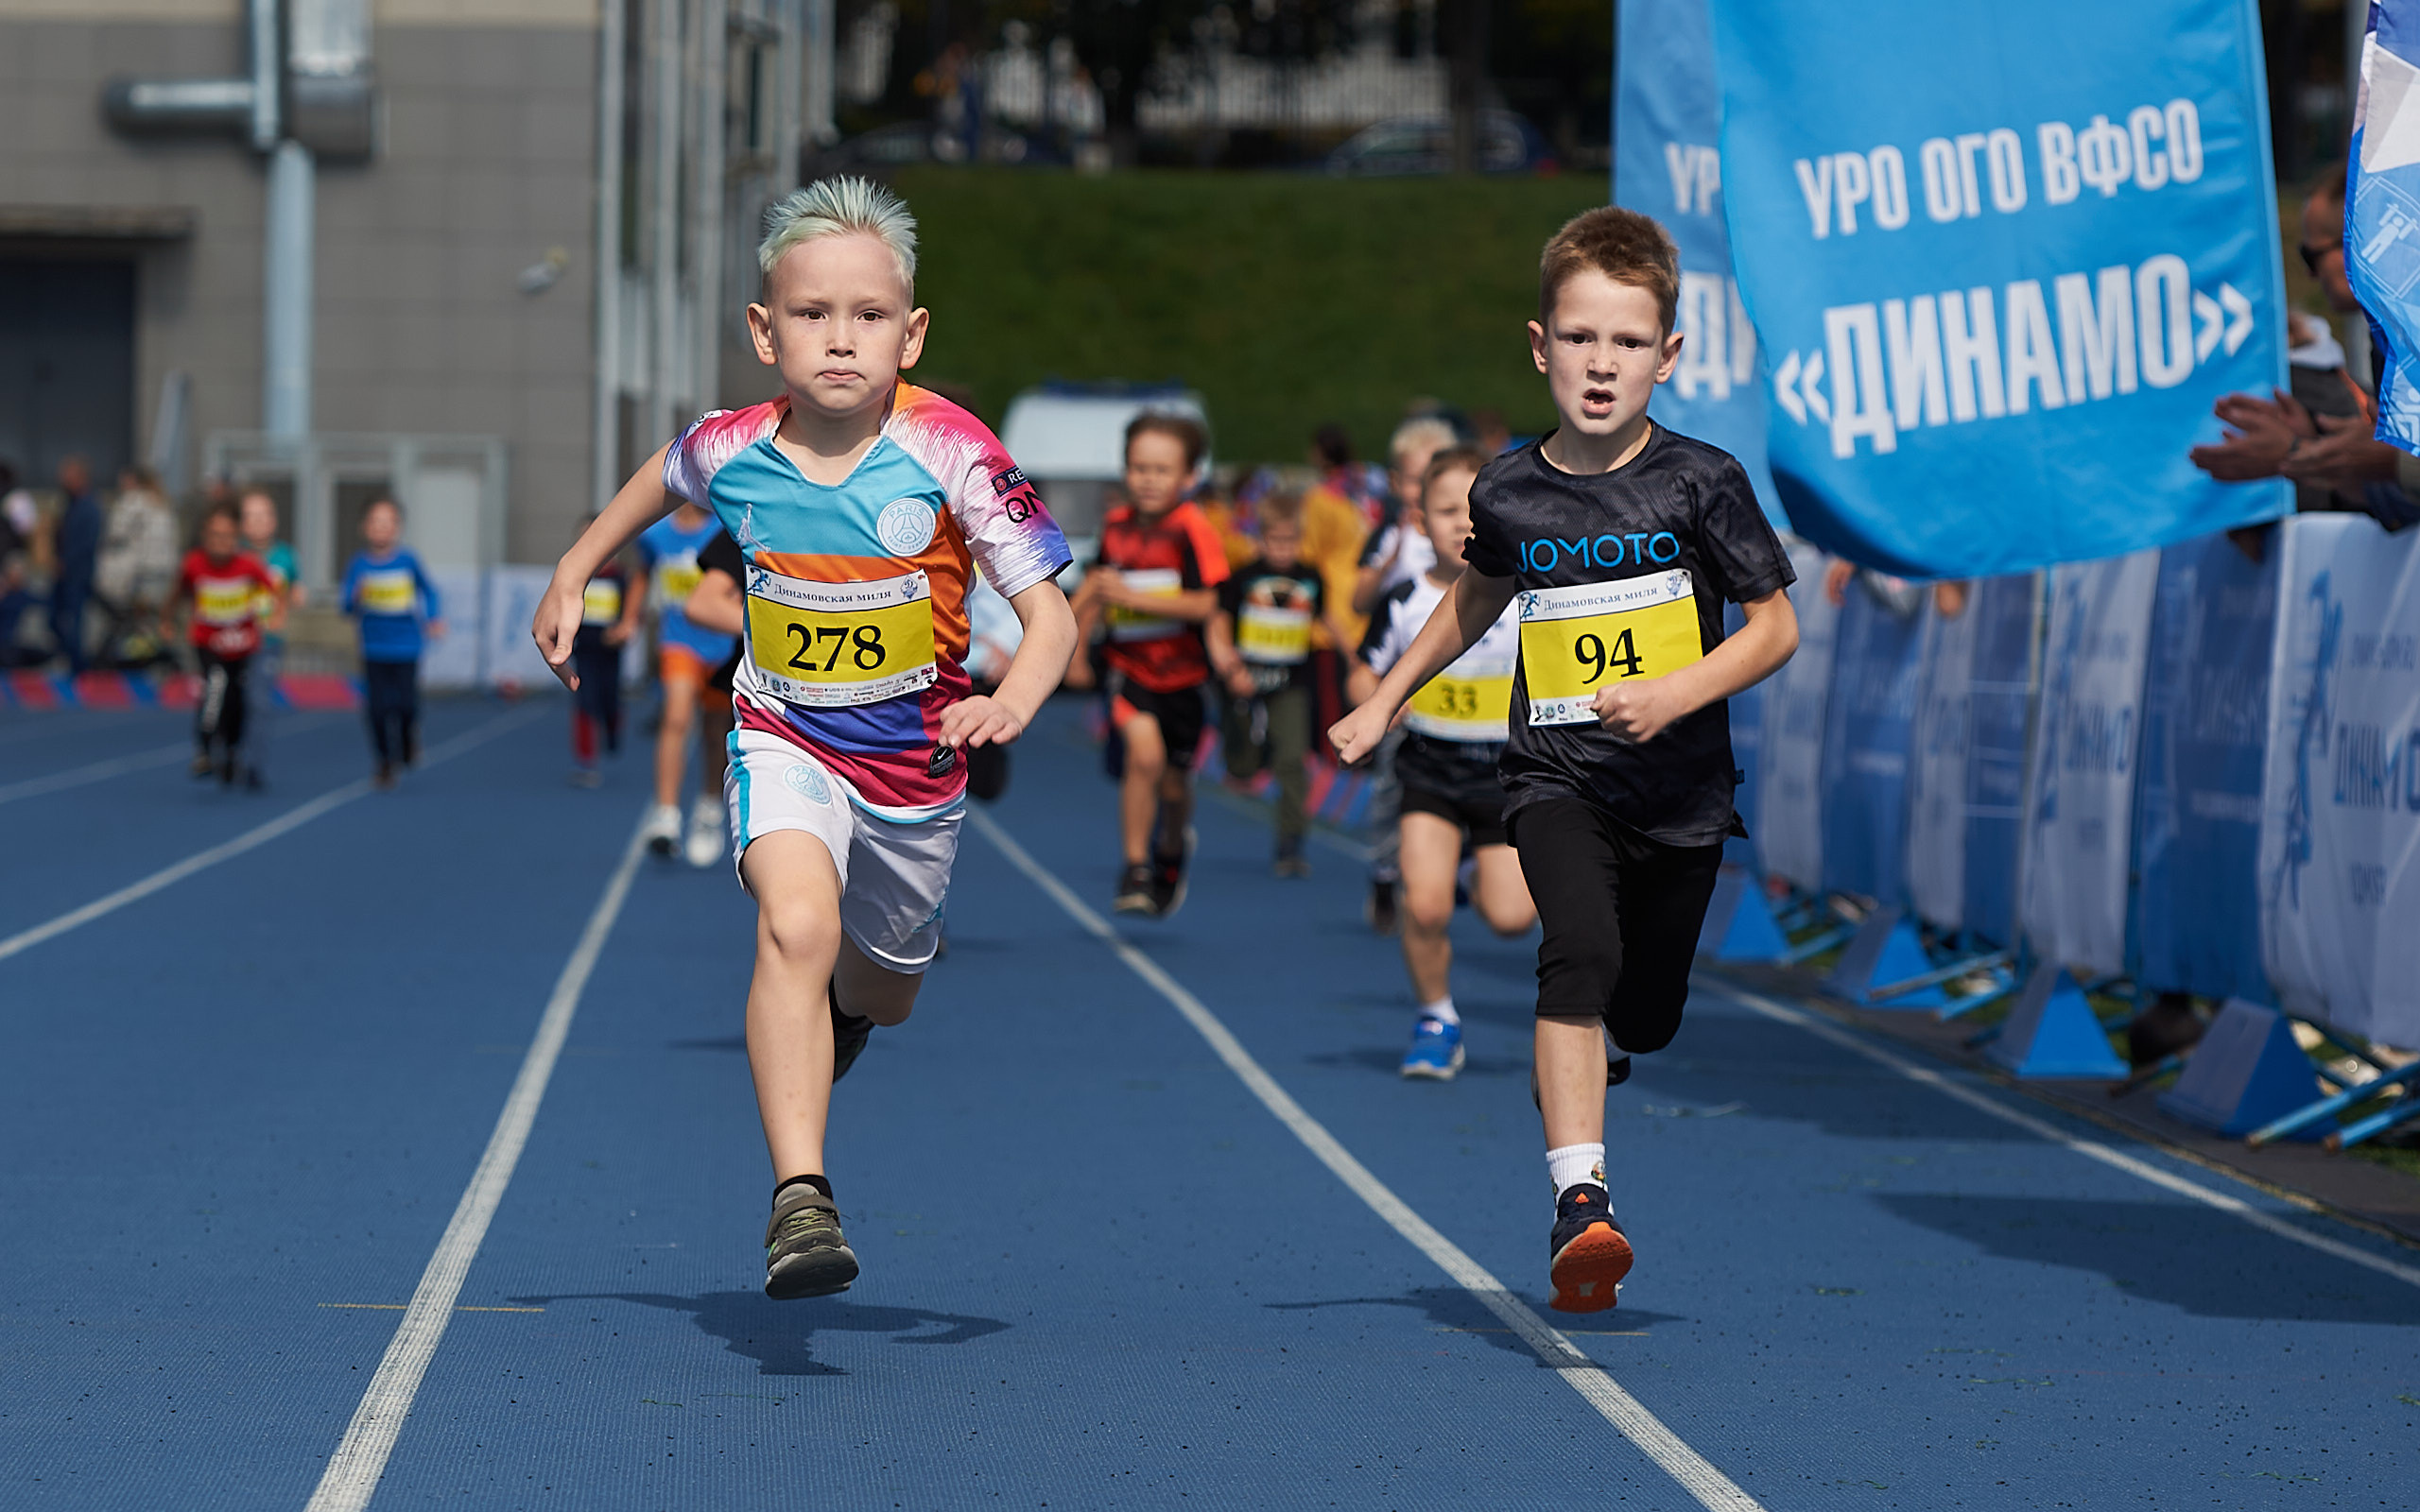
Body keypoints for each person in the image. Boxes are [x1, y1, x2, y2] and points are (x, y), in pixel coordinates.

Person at [530, 177, 1076, 1301]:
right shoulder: (733, 447)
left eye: (868, 316)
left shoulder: (954, 450)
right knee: (795, 924)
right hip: (784, 738)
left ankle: (843, 1019)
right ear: (764, 330)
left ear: (910, 334)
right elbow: (658, 479)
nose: (840, 338)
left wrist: (1013, 699)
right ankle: (800, 1198)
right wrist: (574, 569)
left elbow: (1052, 615)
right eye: (812, 313)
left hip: (915, 771)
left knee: (885, 988)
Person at [1331, 206, 1800, 1313]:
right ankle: (1581, 1202)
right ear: (1540, 345)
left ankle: (1604, 1050)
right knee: (1575, 955)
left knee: (1646, 1013)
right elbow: (1477, 595)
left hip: (1680, 791)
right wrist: (1386, 699)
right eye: (1581, 338)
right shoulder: (1506, 489)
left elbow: (1775, 629)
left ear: (1666, 356)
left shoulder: (1702, 481)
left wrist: (1675, 691)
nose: (1601, 363)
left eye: (1627, 342)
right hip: (1555, 775)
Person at [1356, 445, 1535, 1079]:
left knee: (1511, 919)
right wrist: (1381, 703)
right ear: (1418, 520)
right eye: (1445, 511)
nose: (1461, 523)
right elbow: (1363, 671)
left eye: (1473, 511)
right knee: (1426, 907)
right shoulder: (1405, 600)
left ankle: (1475, 874)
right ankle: (1435, 1019)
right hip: (1429, 772)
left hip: (1505, 778)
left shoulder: (1523, 595)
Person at [2188, 168, 2420, 530]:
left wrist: (2300, 453)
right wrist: (2311, 443)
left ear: (2358, 241)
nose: (2312, 275)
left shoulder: (2404, 331)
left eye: (2312, 256)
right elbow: (2397, 503)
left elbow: (2396, 479)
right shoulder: (2391, 335)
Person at [1063, 412, 1227, 917]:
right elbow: (1096, 589)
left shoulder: (1192, 529)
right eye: (1138, 469)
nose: (1148, 480)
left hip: (1184, 676)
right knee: (1144, 757)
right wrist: (1072, 648)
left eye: (1161, 470)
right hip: (1129, 668)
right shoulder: (1116, 526)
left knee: (1175, 788)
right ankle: (1135, 867)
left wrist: (1136, 597)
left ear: (1188, 476)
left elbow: (1206, 604)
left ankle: (1172, 845)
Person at [1349, 414, 1461, 935]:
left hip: (1465, 675)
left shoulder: (1469, 528)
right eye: (1415, 479)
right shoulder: (1393, 536)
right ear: (1397, 484)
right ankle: (1385, 870)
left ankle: (1457, 861)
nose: (1423, 490)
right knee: (1393, 788)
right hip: (1403, 680)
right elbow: (1360, 599)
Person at [1205, 490, 1356, 877]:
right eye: (1275, 541)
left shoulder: (1309, 577)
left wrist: (1355, 659)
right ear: (1260, 539)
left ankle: (1291, 842)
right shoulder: (1243, 578)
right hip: (1245, 683)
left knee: (1292, 758)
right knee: (1242, 767)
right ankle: (1245, 757)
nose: (1283, 549)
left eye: (1291, 541)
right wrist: (1229, 667)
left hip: (1291, 683)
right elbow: (1217, 622)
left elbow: (1328, 619)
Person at [636, 499, 741, 862]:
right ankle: (666, 814)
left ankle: (708, 809)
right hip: (679, 642)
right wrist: (630, 619)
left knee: (716, 733)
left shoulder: (726, 529)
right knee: (676, 718)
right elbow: (643, 573)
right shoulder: (656, 534)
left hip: (722, 645)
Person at [165, 504, 277, 786]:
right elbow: (176, 593)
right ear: (204, 536)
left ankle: (231, 751)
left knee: (236, 701)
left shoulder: (249, 565)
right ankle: (204, 750)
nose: (220, 542)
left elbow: (271, 592)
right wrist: (167, 620)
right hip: (209, 643)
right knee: (215, 687)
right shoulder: (193, 564)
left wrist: (271, 615)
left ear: (237, 537)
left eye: (227, 536)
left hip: (242, 646)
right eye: (215, 535)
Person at [342, 497, 444, 790]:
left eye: (388, 522)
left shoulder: (408, 561)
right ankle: (384, 761)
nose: (381, 528)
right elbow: (346, 607)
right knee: (377, 709)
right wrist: (355, 597)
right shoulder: (359, 565)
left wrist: (434, 617)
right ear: (364, 527)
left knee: (406, 704)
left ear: (397, 528)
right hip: (374, 648)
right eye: (375, 522)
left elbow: (430, 591)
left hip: (406, 646)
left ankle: (408, 740)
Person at [569, 521, 645, 787]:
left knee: (609, 701)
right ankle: (586, 763)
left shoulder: (620, 578)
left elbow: (632, 613)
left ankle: (612, 729)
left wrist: (623, 630)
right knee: (585, 703)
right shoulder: (577, 577)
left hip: (610, 653)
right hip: (584, 652)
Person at [237, 490, 301, 782]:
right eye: (250, 517)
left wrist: (293, 599)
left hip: (268, 642)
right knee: (234, 700)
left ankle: (254, 763)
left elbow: (295, 590)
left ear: (273, 521)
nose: (257, 522)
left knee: (259, 702)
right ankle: (230, 750)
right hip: (234, 641)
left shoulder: (285, 556)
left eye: (263, 516)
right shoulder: (235, 555)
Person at [48, 455, 103, 675]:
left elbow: (87, 544)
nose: (62, 480)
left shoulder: (90, 507)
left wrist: (67, 562)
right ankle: (71, 661)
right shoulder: (68, 504)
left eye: (67, 476)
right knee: (53, 620)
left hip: (78, 576)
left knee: (74, 624)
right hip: (64, 575)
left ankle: (79, 668)